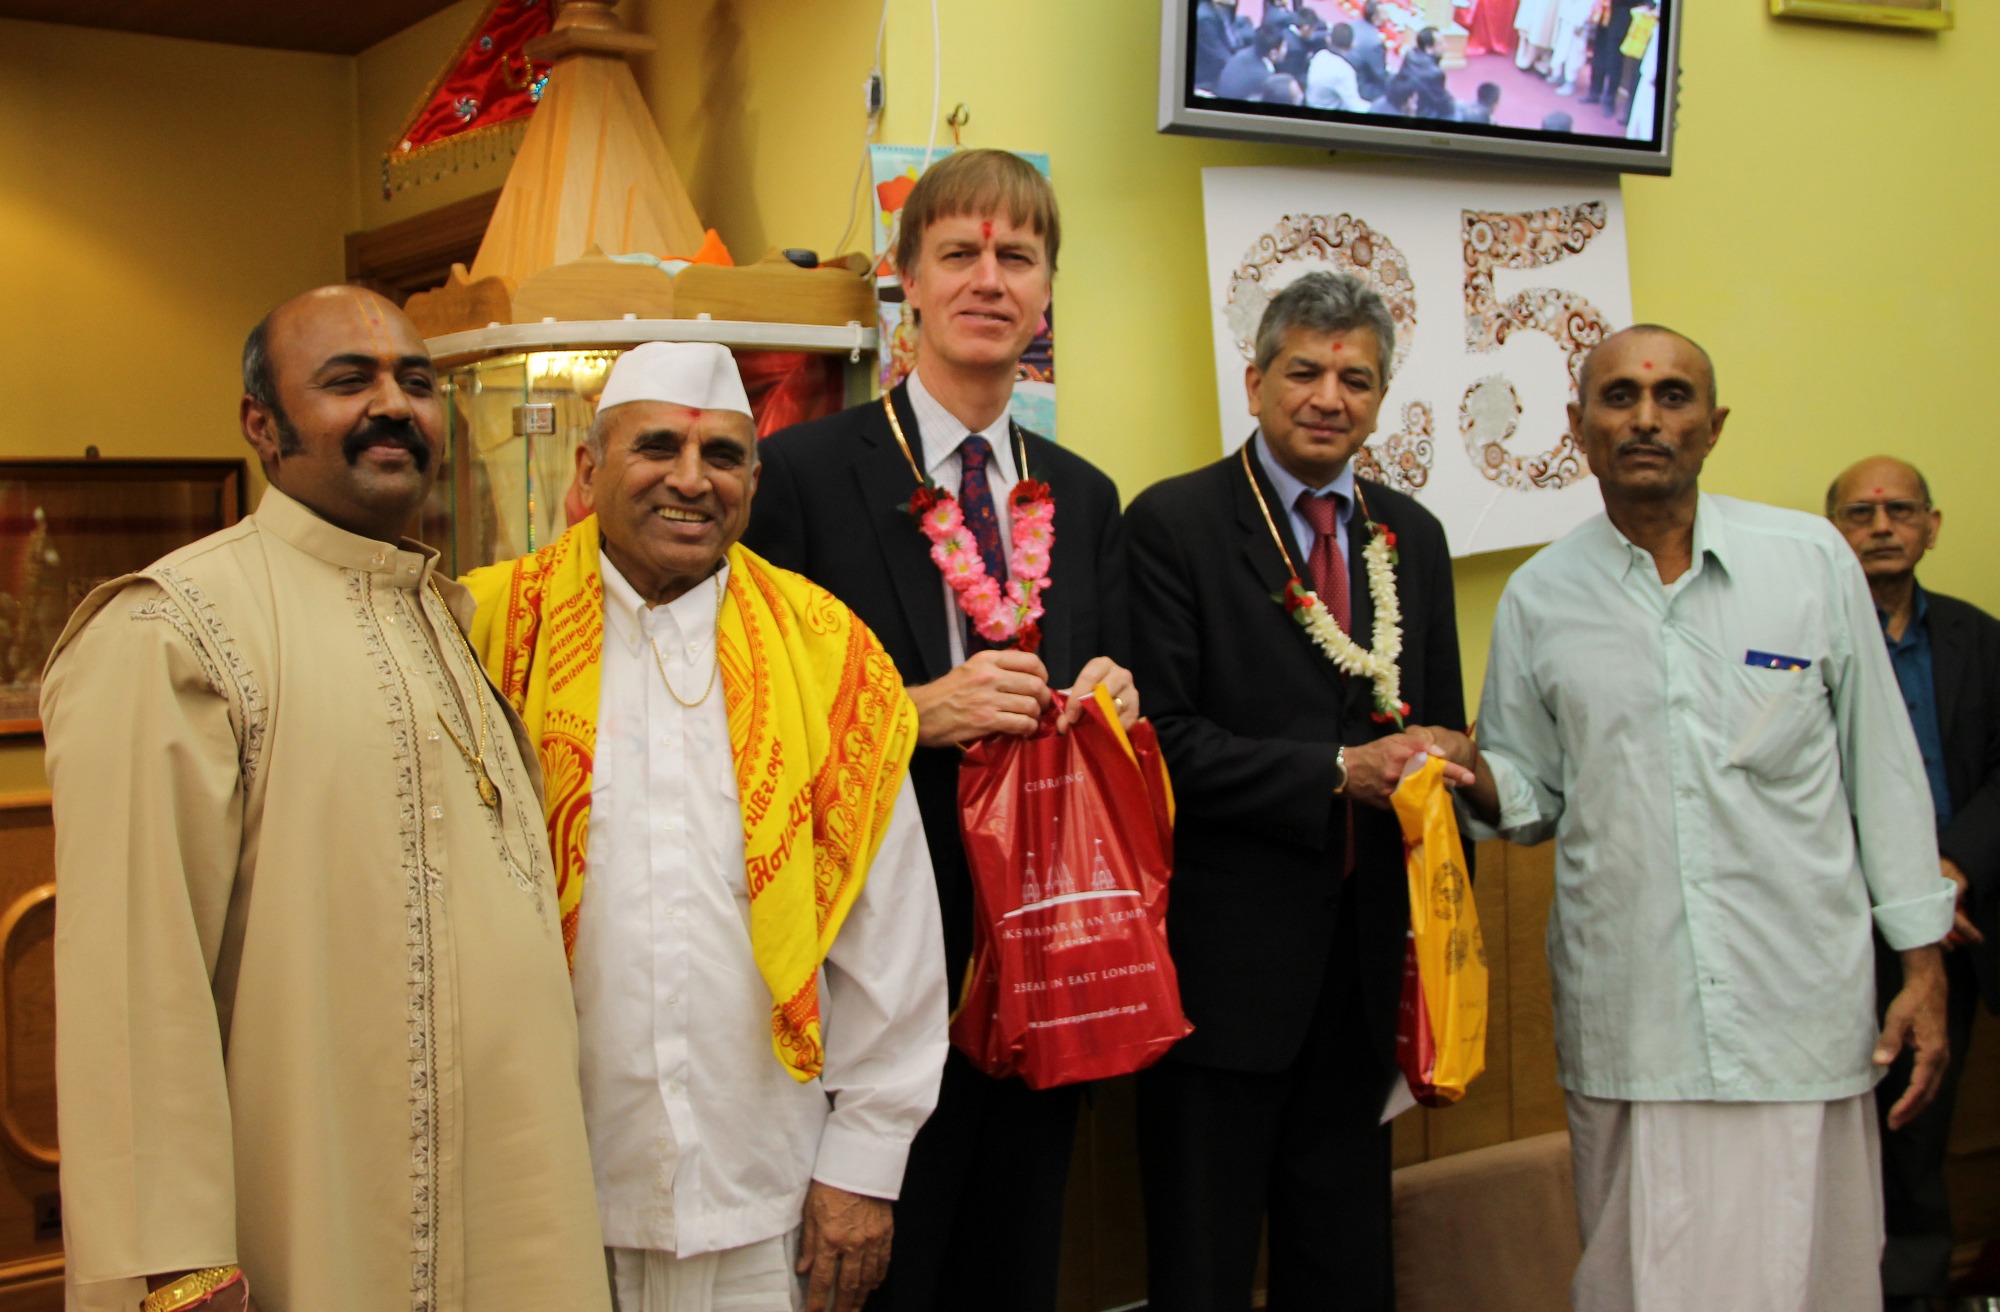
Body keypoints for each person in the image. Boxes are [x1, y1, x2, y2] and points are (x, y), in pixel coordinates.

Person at [44, 287, 611, 1312]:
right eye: (348, 381)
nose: (393, 405)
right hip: (311, 1219)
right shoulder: (173, 632)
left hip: (512, 1214)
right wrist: (180, 1265)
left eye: (416, 382)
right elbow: (133, 977)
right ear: (262, 424)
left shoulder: (442, 613)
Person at [1460, 326, 1955, 1312]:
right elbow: (1527, 796)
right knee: (1640, 1280)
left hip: (1796, 1010)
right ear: (1576, 428)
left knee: (1810, 1275)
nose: (1646, 417)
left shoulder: (1808, 559)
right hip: (1629, 1018)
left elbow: (1883, 769)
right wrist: (1458, 773)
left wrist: (1922, 966)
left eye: (1673, 395)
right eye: (1618, 397)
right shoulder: (1537, 597)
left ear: (1712, 425)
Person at [459, 342, 948, 1312]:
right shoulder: (479, 630)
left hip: (761, 1195)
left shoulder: (826, 652)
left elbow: (890, 937)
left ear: (753, 481)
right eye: (656, 447)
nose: (691, 479)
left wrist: (862, 1166)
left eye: (722, 455)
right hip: (533, 1189)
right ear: (588, 469)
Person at [744, 148, 1136, 1312]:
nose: (988, 278)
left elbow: (1118, 696)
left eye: (1016, 255)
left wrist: (1114, 710)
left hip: (1044, 961)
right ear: (902, 280)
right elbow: (749, 715)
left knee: (1012, 1270)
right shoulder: (801, 474)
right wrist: (911, 714)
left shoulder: (1084, 491)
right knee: (870, 1279)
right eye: (957, 252)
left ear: (1046, 291)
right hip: (873, 963)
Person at [1125, 272, 1475, 1312]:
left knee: (1345, 1264)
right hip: (1218, 976)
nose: (1328, 396)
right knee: (1203, 1264)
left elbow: (1434, 723)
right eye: (1305, 371)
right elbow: (1162, 743)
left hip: (1365, 974)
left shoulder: (1407, 532)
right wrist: (1334, 773)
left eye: (1354, 378)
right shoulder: (1174, 523)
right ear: (1254, 380)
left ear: (1378, 399)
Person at [1827, 456, 2000, 1312]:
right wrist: (1892, 883)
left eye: (1900, 511)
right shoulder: (1803, 641)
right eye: (1861, 512)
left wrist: (1950, 870)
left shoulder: (1982, 639)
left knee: (1918, 1138)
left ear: (1933, 527)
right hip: (1836, 927)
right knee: (1845, 1140)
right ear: (1833, 534)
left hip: (1960, 928)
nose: (1882, 525)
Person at [1216, 22, 1288, 101]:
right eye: (1284, 46)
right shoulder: (1265, 79)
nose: (1286, 49)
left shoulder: (1243, 53)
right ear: (1273, 53)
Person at [1397, 27, 1455, 118]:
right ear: (1429, 48)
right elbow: (1443, 104)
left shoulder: (1410, 55)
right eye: (1440, 43)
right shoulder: (1435, 73)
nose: (1445, 46)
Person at [1307, 24, 1366, 111]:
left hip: (1312, 103)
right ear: (1353, 44)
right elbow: (1355, 106)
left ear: (1329, 39)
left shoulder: (1320, 55)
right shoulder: (1344, 71)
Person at [1546, 0, 1598, 95]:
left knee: (1575, 53)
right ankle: (1560, 75)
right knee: (1562, 48)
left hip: (1579, 23)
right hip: (1567, 18)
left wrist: (1583, 23)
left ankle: (1570, 82)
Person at [1343, 1, 1391, 101]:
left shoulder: (1352, 24)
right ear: (1375, 18)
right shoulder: (1375, 43)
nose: (1387, 17)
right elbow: (1380, 74)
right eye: (1384, 14)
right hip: (1360, 86)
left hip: (1346, 74)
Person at [1194, 0, 1243, 93]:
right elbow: (1220, 56)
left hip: (1227, 71)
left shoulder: (1227, 10)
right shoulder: (1204, 19)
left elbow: (1235, 43)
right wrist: (1242, 68)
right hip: (1209, 81)